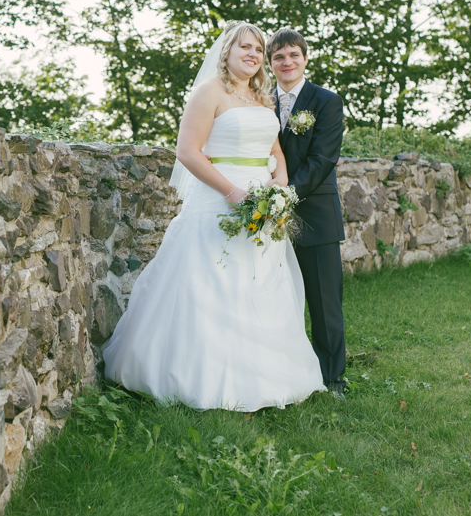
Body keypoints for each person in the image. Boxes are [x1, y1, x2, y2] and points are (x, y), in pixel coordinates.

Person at [102, 22, 326, 411]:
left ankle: (265, 376)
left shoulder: (262, 97)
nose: (253, 55)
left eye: (258, 49)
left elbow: (276, 151)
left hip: (263, 206)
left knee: (258, 284)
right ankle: (200, 379)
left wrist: (279, 187)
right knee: (213, 284)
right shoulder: (208, 92)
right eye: (245, 48)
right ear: (226, 52)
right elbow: (188, 152)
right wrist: (233, 192)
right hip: (220, 199)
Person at [268, 28, 347, 397]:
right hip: (264, 218)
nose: (287, 62)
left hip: (314, 213)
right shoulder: (257, 101)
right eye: (279, 57)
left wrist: (284, 197)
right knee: (272, 297)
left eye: (293, 55)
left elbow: (322, 160)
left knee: (323, 300)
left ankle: (332, 377)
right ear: (270, 63)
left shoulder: (327, 101)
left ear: (305, 58)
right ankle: (283, 371)